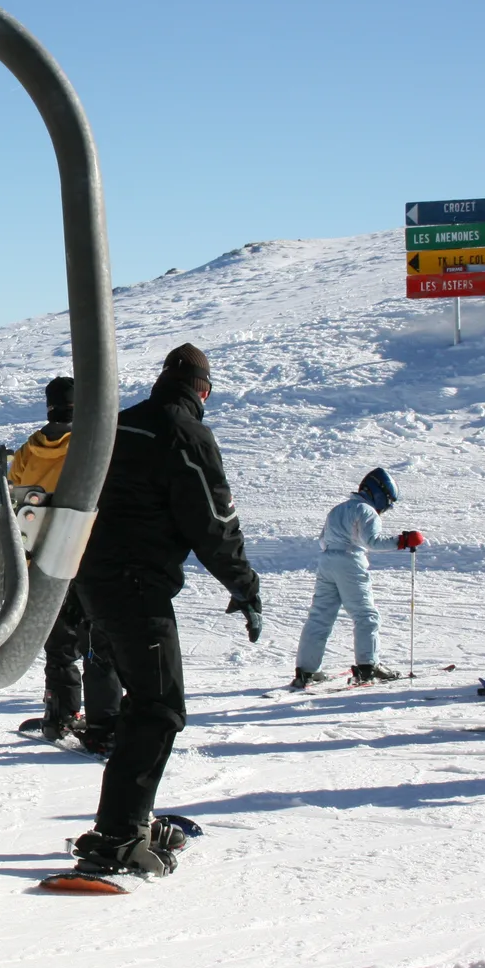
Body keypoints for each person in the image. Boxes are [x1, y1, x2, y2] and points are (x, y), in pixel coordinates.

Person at [66, 344, 260, 880]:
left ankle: (123, 819)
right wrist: (245, 587)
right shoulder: (184, 432)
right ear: (203, 390)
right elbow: (213, 523)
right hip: (135, 585)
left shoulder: (120, 424)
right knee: (159, 705)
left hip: (91, 580)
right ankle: (119, 834)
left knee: (140, 701)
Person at [9, 376, 120, 752]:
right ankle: (105, 721)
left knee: (59, 642)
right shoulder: (90, 447)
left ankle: (61, 713)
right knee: (97, 640)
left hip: (43, 557)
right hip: (88, 554)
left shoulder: (29, 450)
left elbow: (16, 495)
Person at [292, 468, 424, 688]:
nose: (387, 507)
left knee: (320, 617)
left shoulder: (337, 509)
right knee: (366, 616)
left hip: (326, 561)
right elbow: (372, 541)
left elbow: (322, 540)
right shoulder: (367, 510)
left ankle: (306, 671)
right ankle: (367, 667)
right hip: (349, 561)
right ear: (378, 492)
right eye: (388, 501)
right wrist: (403, 541)